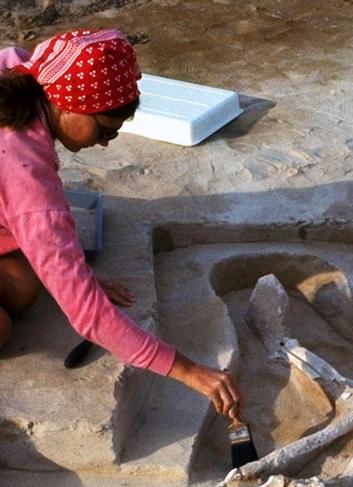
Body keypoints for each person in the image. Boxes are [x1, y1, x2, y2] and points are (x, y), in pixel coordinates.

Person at [0, 29, 243, 419]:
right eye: (106, 130)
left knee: (23, 288)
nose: (108, 142)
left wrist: (72, 273)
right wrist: (190, 371)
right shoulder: (25, 180)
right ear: (71, 106)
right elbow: (89, 316)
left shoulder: (21, 71)